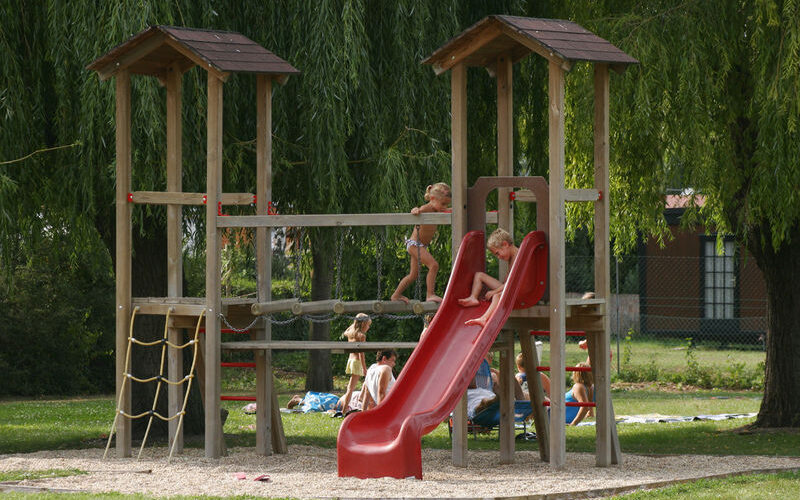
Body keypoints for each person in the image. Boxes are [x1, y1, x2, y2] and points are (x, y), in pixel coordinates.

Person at [390, 183, 452, 304]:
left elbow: (451, 210)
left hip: (420, 246)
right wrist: (416, 210)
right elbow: (416, 210)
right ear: (433, 199)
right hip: (415, 244)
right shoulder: (426, 209)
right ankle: (430, 294)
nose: (444, 207)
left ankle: (395, 295)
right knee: (433, 265)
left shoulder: (438, 210)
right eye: (443, 204)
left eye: (447, 204)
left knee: (413, 275)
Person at [458, 228, 518, 327]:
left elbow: (512, 282)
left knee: (496, 296)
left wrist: (494, 291)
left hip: (515, 290)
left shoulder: (517, 257)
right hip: (507, 286)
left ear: (505, 244)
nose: (498, 257)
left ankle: (484, 318)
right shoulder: (511, 256)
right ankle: (473, 298)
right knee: (479, 275)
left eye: (497, 253)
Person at [339, 313, 370, 413]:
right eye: (368, 325)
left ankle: (361, 397)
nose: (369, 327)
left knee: (362, 382)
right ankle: (344, 410)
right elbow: (361, 354)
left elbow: (345, 332)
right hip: (357, 362)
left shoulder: (350, 332)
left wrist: (354, 325)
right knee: (351, 388)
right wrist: (364, 368)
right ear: (363, 324)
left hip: (351, 360)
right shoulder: (361, 336)